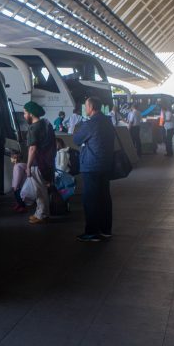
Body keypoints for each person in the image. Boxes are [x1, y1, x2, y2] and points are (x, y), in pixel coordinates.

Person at [73, 97, 115, 242]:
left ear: (90, 107)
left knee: (90, 200)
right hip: (105, 164)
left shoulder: (91, 123)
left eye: (86, 106)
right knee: (104, 198)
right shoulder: (107, 121)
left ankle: (91, 232)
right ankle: (106, 230)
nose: (85, 109)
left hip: (91, 165)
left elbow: (77, 139)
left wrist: (78, 127)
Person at [23, 101, 56, 224]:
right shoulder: (45, 124)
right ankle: (40, 212)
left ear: (31, 114)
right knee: (42, 189)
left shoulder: (33, 128)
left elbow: (32, 148)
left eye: (25, 112)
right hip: (47, 162)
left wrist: (28, 166)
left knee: (39, 190)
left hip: (37, 163)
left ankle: (41, 214)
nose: (24, 115)